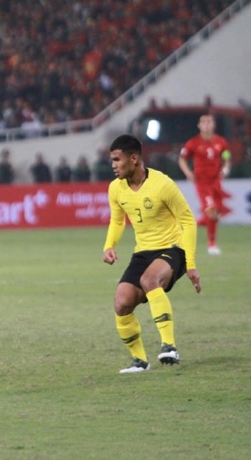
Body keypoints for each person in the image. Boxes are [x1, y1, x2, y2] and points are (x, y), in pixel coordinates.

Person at [102, 134, 201, 374]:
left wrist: (190, 264)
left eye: (117, 159)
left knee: (149, 280)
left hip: (172, 249)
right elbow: (117, 220)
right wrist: (109, 245)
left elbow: (188, 221)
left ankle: (169, 347)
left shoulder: (162, 184)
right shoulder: (116, 188)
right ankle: (140, 361)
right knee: (122, 302)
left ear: (134, 159)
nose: (113, 165)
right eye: (112, 160)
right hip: (143, 252)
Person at [178, 114, 231, 255]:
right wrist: (188, 173)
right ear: (199, 126)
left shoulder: (221, 142)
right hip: (202, 182)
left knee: (216, 214)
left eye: (209, 122)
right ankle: (212, 245)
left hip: (216, 182)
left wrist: (226, 168)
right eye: (204, 123)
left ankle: (187, 229)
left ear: (213, 125)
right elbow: (182, 159)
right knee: (210, 210)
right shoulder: (193, 143)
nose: (207, 125)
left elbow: (226, 157)